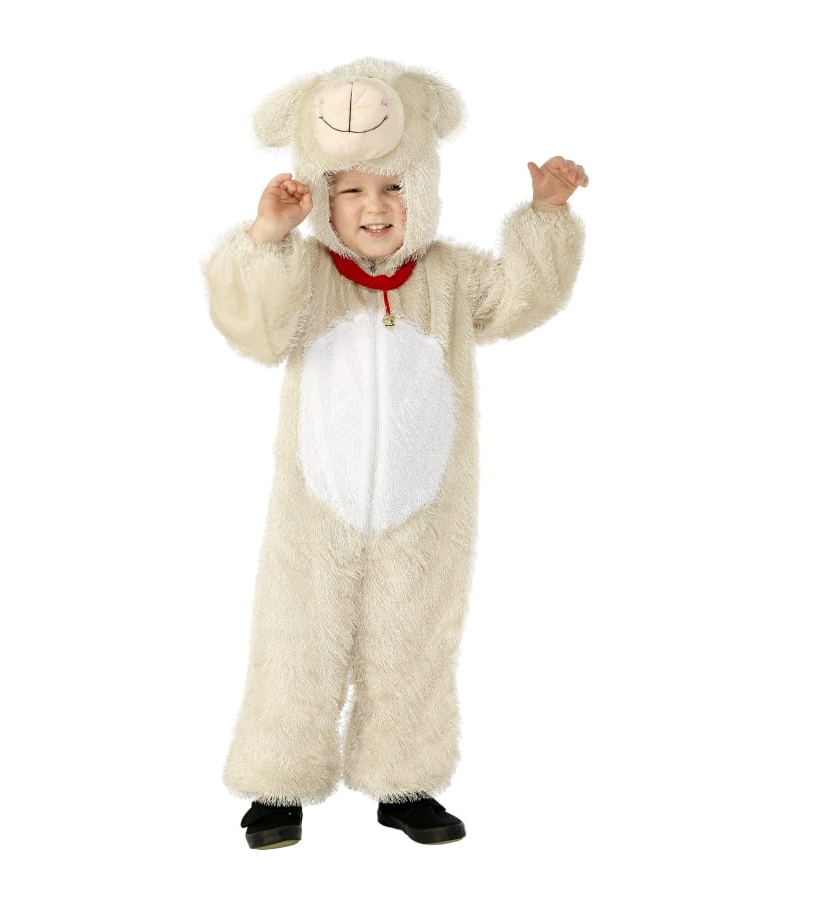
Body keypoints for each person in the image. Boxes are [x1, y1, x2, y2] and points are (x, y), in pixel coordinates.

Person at [203, 58, 587, 849]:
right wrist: (267, 238)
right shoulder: (307, 274)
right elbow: (256, 330)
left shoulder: (448, 277)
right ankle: (278, 783)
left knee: (416, 640)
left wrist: (546, 215)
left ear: (425, 188)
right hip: (316, 508)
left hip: (427, 507)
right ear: (321, 198)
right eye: (349, 190)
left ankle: (404, 780)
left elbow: (521, 298)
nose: (374, 206)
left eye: (394, 186)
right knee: (297, 638)